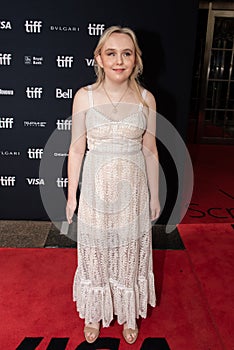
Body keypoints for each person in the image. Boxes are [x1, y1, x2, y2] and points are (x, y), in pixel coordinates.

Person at [66, 25, 160, 345]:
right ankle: (94, 312)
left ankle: (128, 312)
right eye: (111, 53)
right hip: (96, 188)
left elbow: (150, 149)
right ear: (99, 59)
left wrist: (155, 197)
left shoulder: (147, 98)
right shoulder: (85, 97)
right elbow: (77, 148)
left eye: (126, 53)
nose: (119, 60)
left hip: (133, 191)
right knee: (95, 250)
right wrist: (70, 196)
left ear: (136, 60)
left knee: (129, 250)